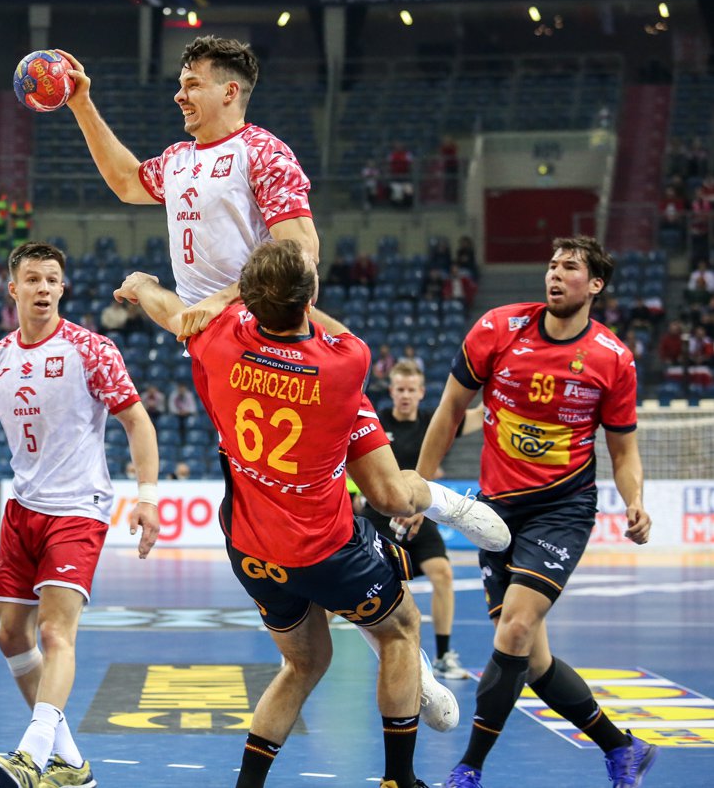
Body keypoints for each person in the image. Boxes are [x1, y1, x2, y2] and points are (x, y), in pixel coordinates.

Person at [115, 239, 497, 788]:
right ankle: (399, 779)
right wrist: (286, 295)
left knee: (303, 664)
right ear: (309, 296)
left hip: (252, 549)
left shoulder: (217, 341)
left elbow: (172, 312)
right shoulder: (346, 361)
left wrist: (141, 284)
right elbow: (338, 335)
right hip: (326, 546)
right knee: (400, 629)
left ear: (251, 299)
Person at [417, 237, 657, 788]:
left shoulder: (613, 359)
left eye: (570, 267)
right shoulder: (497, 329)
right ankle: (623, 749)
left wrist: (635, 500)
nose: (555, 274)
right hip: (496, 513)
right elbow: (450, 409)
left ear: (594, 285)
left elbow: (624, 451)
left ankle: (469, 769)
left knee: (516, 629)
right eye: (552, 265)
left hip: (562, 508)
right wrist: (420, 487)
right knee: (533, 661)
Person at [0, 242, 160, 788]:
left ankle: (32, 754)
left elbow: (137, 422)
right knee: (11, 637)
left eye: (52, 279)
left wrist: (148, 496)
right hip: (23, 509)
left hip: (79, 508)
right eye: (33, 279)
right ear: (12, 289)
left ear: (63, 288)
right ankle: (72, 764)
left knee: (54, 632)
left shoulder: (91, 349)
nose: (43, 288)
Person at [61, 35, 319, 337]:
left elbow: (302, 256)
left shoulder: (262, 152)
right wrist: (81, 104)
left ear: (229, 92)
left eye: (193, 85)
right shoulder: (176, 158)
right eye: (181, 85)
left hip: (262, 334)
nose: (179, 96)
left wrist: (221, 300)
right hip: (202, 336)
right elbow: (126, 182)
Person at [356, 360, 482, 680]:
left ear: (421, 392)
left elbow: (476, 416)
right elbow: (350, 454)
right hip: (379, 515)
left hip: (418, 516)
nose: (405, 395)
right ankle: (306, 653)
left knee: (443, 574)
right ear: (392, 391)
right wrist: (356, 491)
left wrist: (496, 393)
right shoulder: (376, 421)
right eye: (400, 389)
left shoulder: (431, 422)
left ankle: (443, 656)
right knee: (353, 585)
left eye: (411, 390)